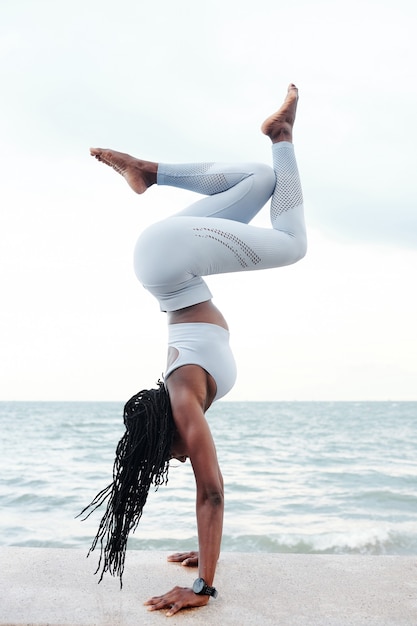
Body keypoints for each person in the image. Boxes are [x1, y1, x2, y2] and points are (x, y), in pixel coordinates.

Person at [81, 84, 307, 617]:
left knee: (293, 244)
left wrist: (204, 586)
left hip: (171, 259)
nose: (180, 459)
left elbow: (212, 492)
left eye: (168, 455)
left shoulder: (183, 402)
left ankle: (281, 136)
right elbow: (203, 492)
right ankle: (150, 170)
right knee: (259, 179)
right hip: (166, 260)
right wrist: (202, 552)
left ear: (167, 435)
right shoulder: (182, 398)